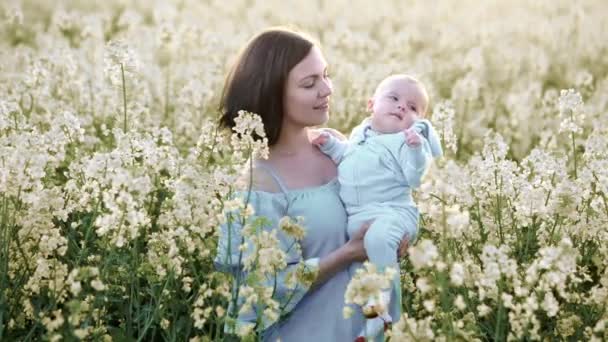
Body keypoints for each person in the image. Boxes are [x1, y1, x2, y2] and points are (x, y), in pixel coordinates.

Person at [214, 28, 408, 341]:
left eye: (326, 75)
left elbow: (383, 206)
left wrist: (395, 235)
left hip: (367, 329)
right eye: (309, 83)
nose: (327, 89)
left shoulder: (337, 147)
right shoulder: (258, 183)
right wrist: (347, 253)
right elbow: (260, 292)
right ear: (272, 94)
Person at [312, 74, 443, 340]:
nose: (402, 107)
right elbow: (349, 157)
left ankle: (384, 315)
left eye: (413, 107)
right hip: (359, 218)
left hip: (393, 214)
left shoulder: (405, 142)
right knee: (357, 277)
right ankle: (370, 329)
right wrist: (331, 146)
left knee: (379, 239)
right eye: (393, 98)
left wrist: (417, 150)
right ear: (371, 105)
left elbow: (415, 177)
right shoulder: (360, 135)